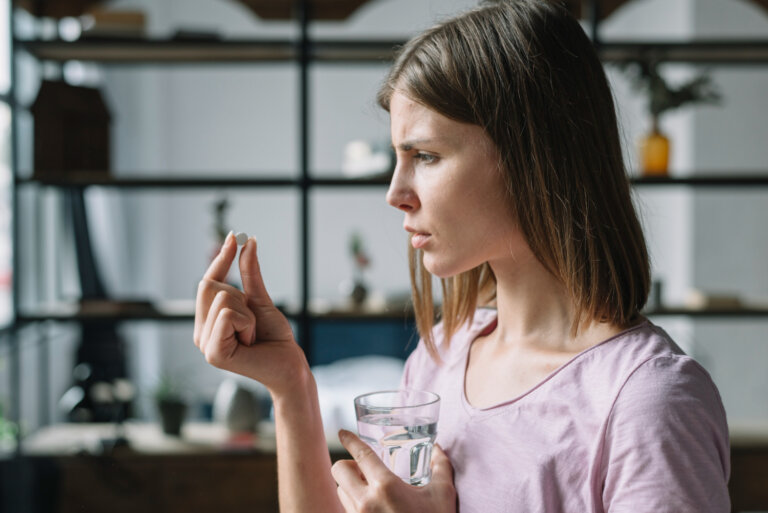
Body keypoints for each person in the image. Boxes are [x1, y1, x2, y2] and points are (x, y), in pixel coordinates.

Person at [194, 1, 731, 511]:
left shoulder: (648, 401)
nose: (395, 192)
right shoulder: (440, 358)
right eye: (397, 158)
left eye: (425, 155)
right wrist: (290, 384)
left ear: (532, 156)